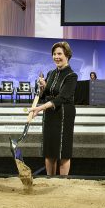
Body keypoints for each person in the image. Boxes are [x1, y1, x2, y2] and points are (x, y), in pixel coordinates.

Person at [29, 41, 78, 176]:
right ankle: (50, 180)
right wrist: (43, 87)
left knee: (63, 152)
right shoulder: (50, 73)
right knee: (50, 151)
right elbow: (45, 95)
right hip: (50, 114)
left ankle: (62, 185)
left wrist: (40, 108)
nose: (56, 57)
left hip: (64, 115)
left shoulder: (72, 76)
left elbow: (62, 97)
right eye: (54, 54)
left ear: (67, 55)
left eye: (59, 54)